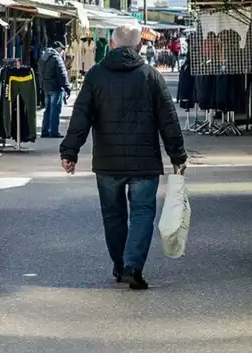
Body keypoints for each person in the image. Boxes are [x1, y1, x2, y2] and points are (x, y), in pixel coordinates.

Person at [60, 24, 187, 290]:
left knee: (113, 216)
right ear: (140, 46)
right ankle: (132, 265)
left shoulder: (95, 76)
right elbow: (169, 120)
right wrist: (177, 155)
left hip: (108, 162)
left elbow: (81, 115)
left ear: (113, 45)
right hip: (145, 162)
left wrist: (70, 151)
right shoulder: (151, 76)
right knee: (142, 213)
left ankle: (119, 265)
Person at [38, 41, 70, 138]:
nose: (62, 52)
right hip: (56, 87)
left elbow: (40, 73)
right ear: (59, 49)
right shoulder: (57, 58)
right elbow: (62, 74)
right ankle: (54, 131)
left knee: (47, 109)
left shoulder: (43, 57)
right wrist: (67, 87)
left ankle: (45, 130)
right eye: (62, 49)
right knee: (55, 110)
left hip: (46, 87)